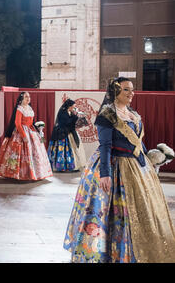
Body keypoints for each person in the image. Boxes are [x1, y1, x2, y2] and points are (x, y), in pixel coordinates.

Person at [63, 77, 175, 263]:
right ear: (116, 92)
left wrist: (151, 159)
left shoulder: (132, 114)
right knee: (113, 212)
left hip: (135, 166)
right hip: (114, 167)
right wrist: (105, 174)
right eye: (126, 90)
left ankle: (134, 252)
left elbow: (138, 143)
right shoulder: (107, 115)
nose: (132, 93)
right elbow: (105, 145)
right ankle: (111, 253)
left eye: (132, 90)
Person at [0, 92, 53, 181]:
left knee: (35, 152)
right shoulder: (20, 109)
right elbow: (17, 123)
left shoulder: (30, 108)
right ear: (22, 99)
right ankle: (20, 173)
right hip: (21, 132)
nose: (28, 98)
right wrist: (24, 135)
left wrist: (38, 131)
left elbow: (32, 122)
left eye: (29, 97)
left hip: (31, 131)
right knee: (19, 153)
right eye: (26, 97)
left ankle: (34, 172)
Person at [47, 99, 87, 172]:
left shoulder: (71, 113)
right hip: (62, 133)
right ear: (69, 106)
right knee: (63, 150)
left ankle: (74, 166)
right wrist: (76, 117)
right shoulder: (62, 113)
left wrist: (79, 117)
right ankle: (62, 166)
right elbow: (66, 123)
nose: (74, 108)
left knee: (74, 149)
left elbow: (74, 123)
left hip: (69, 132)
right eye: (73, 107)